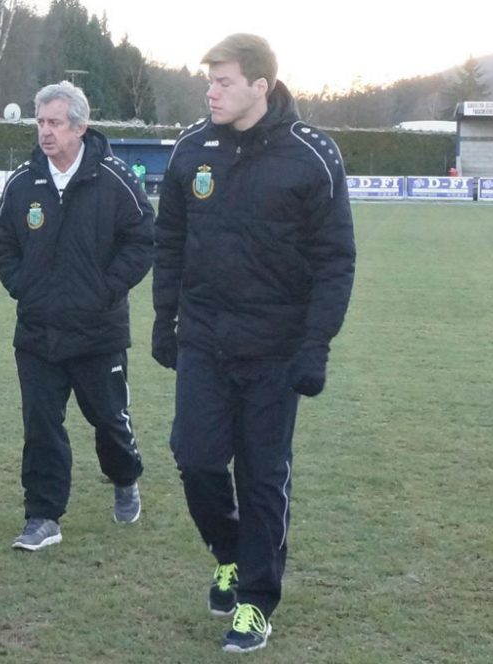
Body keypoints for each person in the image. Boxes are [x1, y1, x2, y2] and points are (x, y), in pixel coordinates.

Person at [151, 34, 355, 653]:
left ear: (260, 86)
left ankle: (256, 601)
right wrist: (165, 321)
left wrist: (315, 344)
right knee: (196, 460)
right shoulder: (192, 148)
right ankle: (230, 553)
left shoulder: (312, 156)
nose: (210, 91)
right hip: (205, 341)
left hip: (276, 349)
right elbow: (170, 243)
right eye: (208, 81)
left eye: (223, 81)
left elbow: (335, 260)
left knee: (264, 475)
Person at [0, 81, 155, 551]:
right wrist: (24, 287)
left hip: (98, 331)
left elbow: (143, 239)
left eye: (55, 123)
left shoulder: (115, 178)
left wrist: (105, 289)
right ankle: (43, 518)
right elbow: (2, 244)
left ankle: (125, 477)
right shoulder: (23, 182)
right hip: (38, 333)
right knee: (41, 426)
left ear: (79, 127)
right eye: (41, 122)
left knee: (108, 419)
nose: (45, 132)